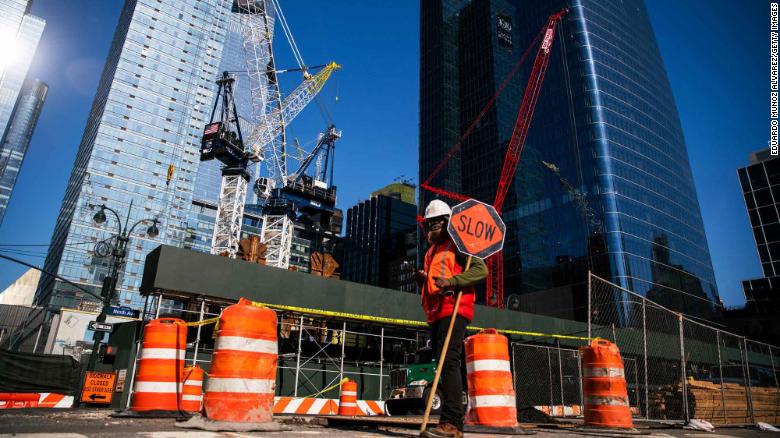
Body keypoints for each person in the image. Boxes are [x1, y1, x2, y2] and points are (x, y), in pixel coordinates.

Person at [417, 199, 487, 438]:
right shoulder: (430, 252)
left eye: (436, 223)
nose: (431, 227)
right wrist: (423, 281)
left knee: (449, 363)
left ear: (448, 222)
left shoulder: (459, 243)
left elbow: (481, 270)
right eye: (429, 224)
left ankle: (452, 423)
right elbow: (436, 279)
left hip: (454, 308)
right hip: (436, 312)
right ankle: (448, 422)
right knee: (443, 365)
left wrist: (453, 282)